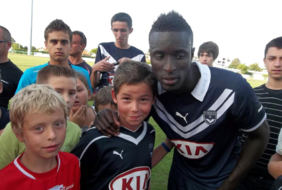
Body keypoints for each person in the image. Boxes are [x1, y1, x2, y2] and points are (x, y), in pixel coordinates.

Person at [93, 11, 270, 190]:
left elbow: (260, 135)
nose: (169, 68)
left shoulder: (232, 88)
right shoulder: (150, 88)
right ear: (151, 55)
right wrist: (107, 115)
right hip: (179, 179)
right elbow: (130, 120)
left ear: (192, 53)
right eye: (160, 56)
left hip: (221, 181)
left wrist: (231, 183)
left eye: (179, 55)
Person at [0, 65, 81, 183]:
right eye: (57, 92)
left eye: (71, 92)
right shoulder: (14, 130)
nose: (67, 99)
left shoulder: (76, 131)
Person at [71, 61, 156, 190]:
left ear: (153, 99)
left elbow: (143, 173)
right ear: (114, 96)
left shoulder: (149, 132)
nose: (135, 108)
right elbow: (70, 179)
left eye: (143, 99)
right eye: (127, 98)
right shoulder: (94, 138)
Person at [239, 37, 282, 189]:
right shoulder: (250, 95)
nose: (277, 64)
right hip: (241, 177)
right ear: (265, 61)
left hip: (274, 182)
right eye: (272, 58)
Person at [15, 19, 91, 94]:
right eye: (54, 42)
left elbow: (86, 100)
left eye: (64, 42)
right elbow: (18, 105)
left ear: (70, 45)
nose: (59, 46)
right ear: (46, 44)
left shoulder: (83, 73)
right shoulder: (30, 74)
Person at [91, 12, 146, 91]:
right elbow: (94, 84)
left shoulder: (139, 55)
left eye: (123, 30)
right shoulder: (103, 48)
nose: (119, 35)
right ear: (111, 30)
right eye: (115, 30)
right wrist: (94, 69)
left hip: (125, 99)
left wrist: (131, 65)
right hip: (104, 100)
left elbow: (142, 84)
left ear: (130, 30)